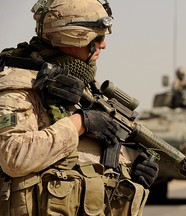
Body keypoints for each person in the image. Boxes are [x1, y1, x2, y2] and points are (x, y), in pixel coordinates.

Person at [0, 0, 159, 215]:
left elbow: (82, 157)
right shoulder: (20, 85)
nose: (103, 45)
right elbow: (13, 157)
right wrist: (79, 123)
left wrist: (131, 166)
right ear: (75, 36)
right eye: (99, 38)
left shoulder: (81, 88)